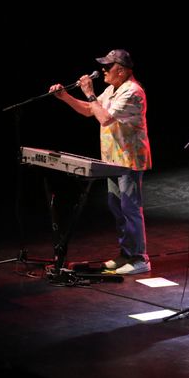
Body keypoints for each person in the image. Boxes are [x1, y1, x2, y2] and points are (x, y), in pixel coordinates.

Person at [49, 49, 152, 275]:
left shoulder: (132, 91)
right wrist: (65, 97)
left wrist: (89, 92)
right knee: (117, 207)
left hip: (129, 160)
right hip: (113, 160)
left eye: (108, 66)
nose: (103, 70)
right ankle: (127, 253)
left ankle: (140, 258)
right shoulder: (112, 89)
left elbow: (104, 118)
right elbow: (90, 110)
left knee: (130, 208)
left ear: (121, 71)